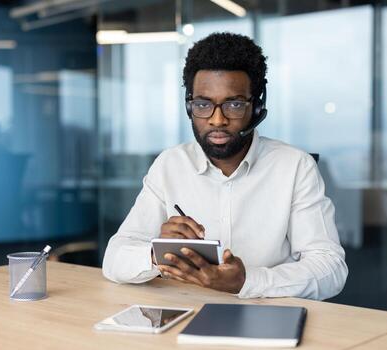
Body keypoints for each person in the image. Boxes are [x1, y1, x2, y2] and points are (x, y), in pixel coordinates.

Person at [102, 32, 348, 300]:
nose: (217, 120)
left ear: (257, 106)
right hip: (186, 314)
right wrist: (155, 253)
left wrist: (247, 281)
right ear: (189, 106)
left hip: (268, 315)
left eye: (233, 104)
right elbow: (114, 259)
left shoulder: (295, 166)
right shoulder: (169, 165)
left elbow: (330, 269)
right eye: (203, 104)